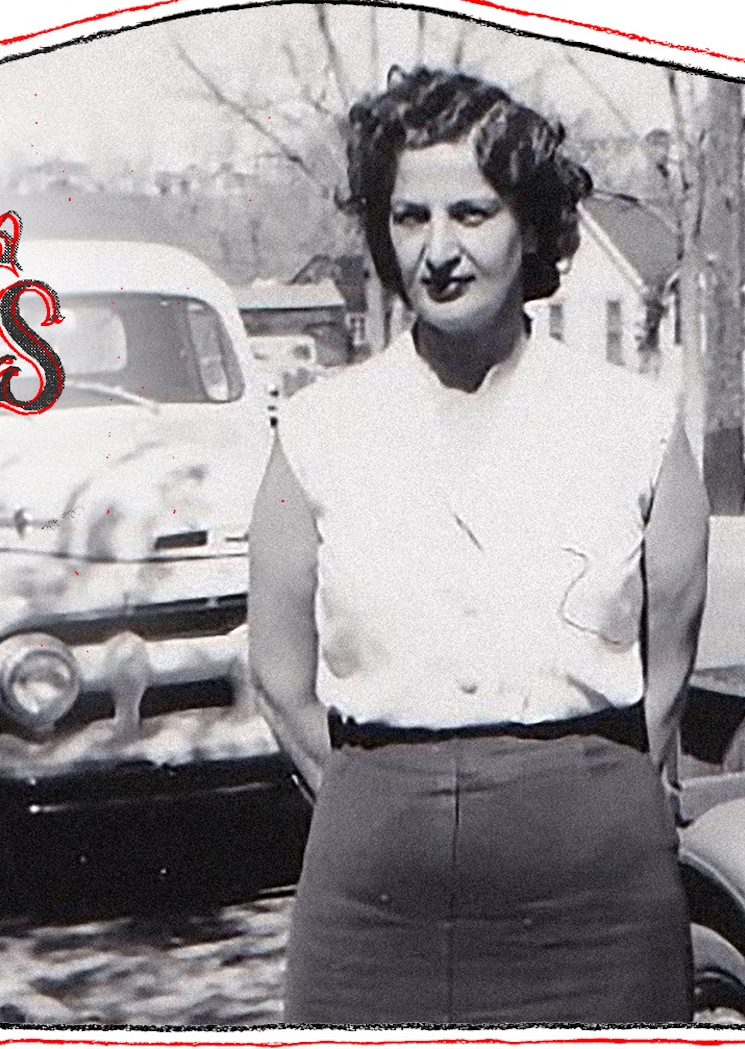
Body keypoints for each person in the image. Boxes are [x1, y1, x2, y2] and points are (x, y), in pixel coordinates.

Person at [247, 67, 712, 1026]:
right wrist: (388, 802)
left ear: (532, 229)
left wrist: (581, 795)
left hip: (593, 885)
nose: (440, 250)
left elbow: (668, 667)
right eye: (411, 217)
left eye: (473, 212)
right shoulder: (322, 426)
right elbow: (280, 674)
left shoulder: (631, 423)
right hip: (375, 888)